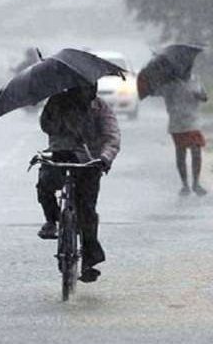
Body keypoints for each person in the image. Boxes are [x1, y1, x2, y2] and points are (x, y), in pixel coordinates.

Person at [36, 84, 121, 283]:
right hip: (60, 154)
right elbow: (45, 126)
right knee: (45, 184)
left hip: (90, 161)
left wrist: (104, 158)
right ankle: (52, 221)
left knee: (87, 211)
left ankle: (89, 261)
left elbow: (112, 136)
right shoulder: (57, 101)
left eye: (89, 89)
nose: (86, 94)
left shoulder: (100, 108)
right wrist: (59, 116)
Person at [161, 71, 208, 196]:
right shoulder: (169, 82)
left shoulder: (195, 79)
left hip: (193, 121)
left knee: (196, 150)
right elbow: (167, 100)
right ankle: (185, 184)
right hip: (177, 122)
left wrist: (197, 95)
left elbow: (205, 97)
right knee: (181, 153)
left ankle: (196, 183)